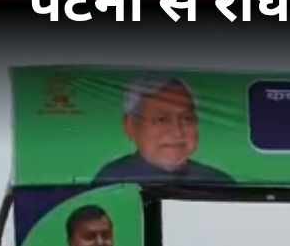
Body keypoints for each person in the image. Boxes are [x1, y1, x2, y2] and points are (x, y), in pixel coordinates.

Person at [94, 77, 232, 184]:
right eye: (162, 120)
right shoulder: (112, 178)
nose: (177, 132)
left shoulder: (218, 180)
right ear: (130, 125)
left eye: (187, 119)